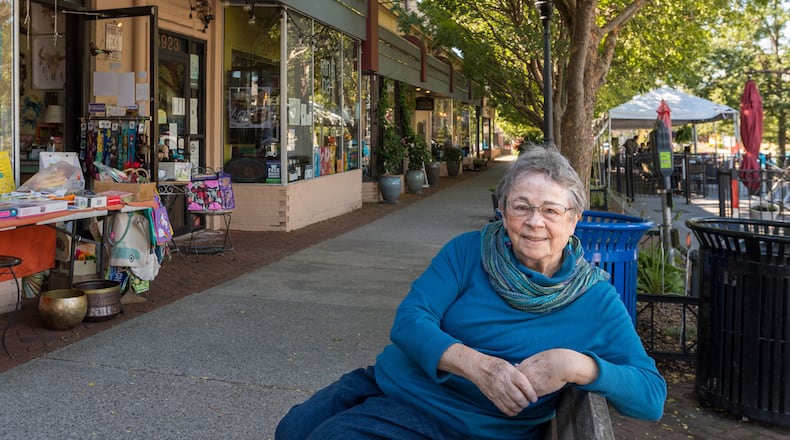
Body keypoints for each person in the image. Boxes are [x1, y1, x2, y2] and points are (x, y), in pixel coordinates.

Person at [275, 145, 666, 439]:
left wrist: (575, 365)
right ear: (502, 211)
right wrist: (480, 367)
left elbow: (651, 397)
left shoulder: (595, 299)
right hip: (394, 381)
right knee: (291, 429)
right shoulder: (468, 251)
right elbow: (410, 321)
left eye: (550, 210)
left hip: (463, 424)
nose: (534, 222)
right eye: (521, 207)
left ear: (574, 220)